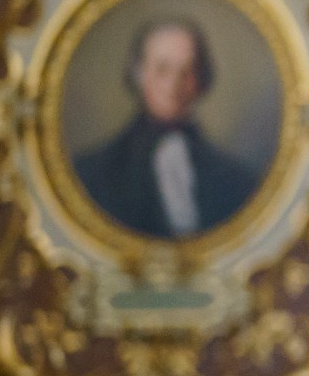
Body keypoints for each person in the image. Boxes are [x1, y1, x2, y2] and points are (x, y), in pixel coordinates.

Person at [73, 17, 262, 237]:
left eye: (187, 71)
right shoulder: (93, 174)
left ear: (201, 80)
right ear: (139, 74)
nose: (174, 85)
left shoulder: (237, 180)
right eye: (162, 70)